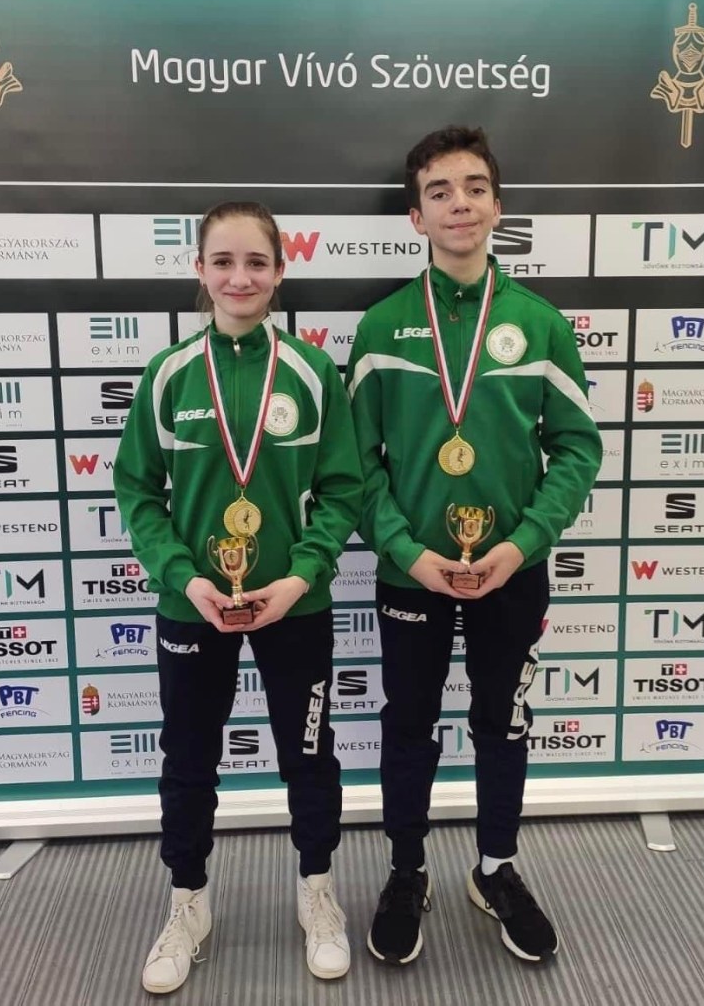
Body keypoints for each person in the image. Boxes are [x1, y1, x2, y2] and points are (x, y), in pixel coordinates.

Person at [346, 126, 602, 966]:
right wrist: (405, 549)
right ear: (416, 217)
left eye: (475, 187)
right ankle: (407, 870)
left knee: (504, 721)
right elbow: (355, 465)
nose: (460, 202)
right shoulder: (383, 327)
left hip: (511, 571)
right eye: (440, 191)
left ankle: (495, 868)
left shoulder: (539, 324)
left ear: (497, 205)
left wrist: (523, 542)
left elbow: (577, 448)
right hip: (410, 573)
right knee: (408, 725)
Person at [114, 201, 363, 994]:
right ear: (199, 269)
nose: (240, 277)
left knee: (309, 755)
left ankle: (317, 891)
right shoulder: (169, 374)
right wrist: (184, 576)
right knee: (188, 759)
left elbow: (344, 489)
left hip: (295, 603)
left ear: (280, 271)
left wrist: (301, 575)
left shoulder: (314, 373)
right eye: (222, 261)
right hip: (193, 604)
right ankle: (187, 902)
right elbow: (136, 491)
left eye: (256, 261)